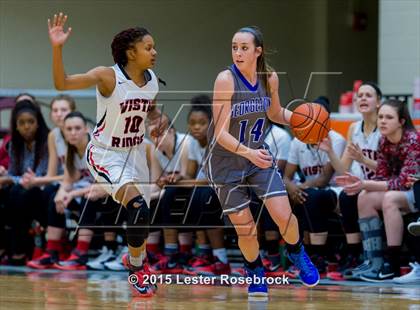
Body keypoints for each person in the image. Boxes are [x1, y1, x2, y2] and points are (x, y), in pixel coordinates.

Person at [48, 12, 164, 297]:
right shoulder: (107, 76)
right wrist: (57, 48)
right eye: (148, 47)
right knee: (138, 207)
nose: (154, 52)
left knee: (142, 215)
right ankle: (137, 269)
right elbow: (62, 84)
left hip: (135, 152)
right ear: (130, 52)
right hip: (106, 154)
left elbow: (146, 111)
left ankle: (133, 259)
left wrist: (156, 123)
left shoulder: (150, 81)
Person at [205, 26, 319, 297]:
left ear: (258, 51)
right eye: (234, 47)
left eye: (244, 47)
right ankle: (254, 270)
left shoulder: (269, 78)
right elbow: (220, 133)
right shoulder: (225, 79)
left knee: (284, 215)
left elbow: (275, 112)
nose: (238, 52)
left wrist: (303, 119)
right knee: (246, 228)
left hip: (257, 156)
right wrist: (248, 153)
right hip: (225, 163)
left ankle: (296, 252)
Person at [336, 99, 420, 282]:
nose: (382, 121)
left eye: (389, 117)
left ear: (401, 122)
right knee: (365, 198)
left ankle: (393, 263)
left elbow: (404, 182)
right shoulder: (384, 141)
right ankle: (373, 261)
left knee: (389, 198)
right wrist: (362, 183)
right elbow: (383, 175)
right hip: (404, 191)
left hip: (415, 191)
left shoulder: (413, 140)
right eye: (381, 117)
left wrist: (364, 183)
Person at [27, 112, 118, 270]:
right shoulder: (72, 150)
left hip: (115, 196)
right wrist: (62, 193)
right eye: (69, 129)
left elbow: (102, 186)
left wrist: (71, 193)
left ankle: (81, 253)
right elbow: (68, 180)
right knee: (56, 198)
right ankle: (52, 251)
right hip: (89, 193)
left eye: (77, 128)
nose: (73, 132)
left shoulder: (97, 149)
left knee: (89, 197)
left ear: (86, 129)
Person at [318, 82, 382, 278]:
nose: (362, 98)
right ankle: (353, 256)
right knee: (346, 196)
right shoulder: (354, 128)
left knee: (350, 197)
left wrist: (363, 159)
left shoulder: (385, 126)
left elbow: (389, 169)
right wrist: (329, 151)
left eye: (368, 95)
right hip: (360, 186)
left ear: (379, 102)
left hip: (381, 184)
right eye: (359, 96)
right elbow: (343, 168)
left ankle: (363, 256)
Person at [0, 100, 50, 265]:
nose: (26, 126)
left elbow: (41, 174)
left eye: (30, 122)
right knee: (9, 193)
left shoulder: (46, 143)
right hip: (22, 189)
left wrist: (14, 179)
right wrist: (10, 178)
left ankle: (17, 250)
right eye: (21, 123)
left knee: (18, 194)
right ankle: (11, 248)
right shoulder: (14, 144)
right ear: (16, 126)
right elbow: (14, 173)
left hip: (43, 189)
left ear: (38, 123)